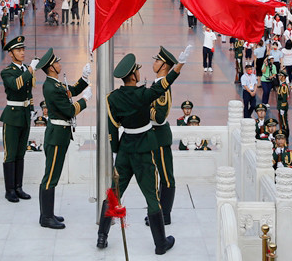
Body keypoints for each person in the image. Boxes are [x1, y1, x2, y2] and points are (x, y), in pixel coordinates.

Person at [96, 46, 190, 255]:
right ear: (133, 76)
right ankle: (160, 243)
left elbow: (113, 128)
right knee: (152, 198)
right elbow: (164, 84)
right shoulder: (143, 94)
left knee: (114, 193)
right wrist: (179, 65)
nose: (140, 72)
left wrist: (116, 152)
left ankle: (102, 236)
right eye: (137, 70)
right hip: (144, 150)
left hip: (124, 149)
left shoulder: (112, 98)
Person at [36, 48, 90, 229]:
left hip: (61, 134)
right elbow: (69, 110)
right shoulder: (51, 87)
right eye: (57, 62)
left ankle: (47, 214)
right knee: (50, 176)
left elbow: (71, 91)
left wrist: (84, 78)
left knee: (52, 175)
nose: (60, 64)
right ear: (51, 67)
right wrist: (84, 101)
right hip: (57, 136)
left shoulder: (56, 84)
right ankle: (46, 217)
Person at [146, 47, 181, 227]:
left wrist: (144, 106)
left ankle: (165, 215)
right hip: (154, 135)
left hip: (159, 135)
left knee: (166, 176)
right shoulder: (158, 84)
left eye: (157, 60)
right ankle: (159, 212)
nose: (154, 63)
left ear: (164, 66)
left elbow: (159, 116)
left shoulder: (162, 87)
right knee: (158, 175)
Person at [0, 36, 35, 203]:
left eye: (23, 49)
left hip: (24, 114)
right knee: (11, 154)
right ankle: (10, 190)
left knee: (21, 153)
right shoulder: (7, 72)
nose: (22, 53)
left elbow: (28, 92)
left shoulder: (25, 69)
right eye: (18, 50)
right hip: (12, 116)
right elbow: (16, 85)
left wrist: (31, 109)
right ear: (11, 53)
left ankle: (19, 187)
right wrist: (30, 71)